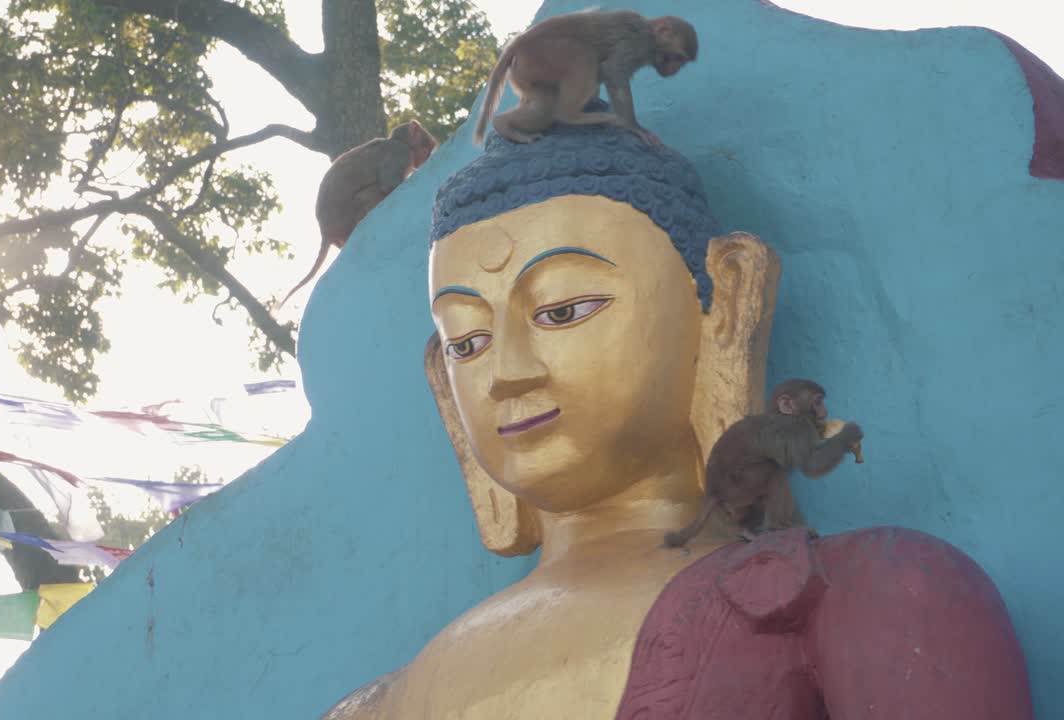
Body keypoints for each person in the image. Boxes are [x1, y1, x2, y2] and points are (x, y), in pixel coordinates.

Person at [321, 107, 1033, 719]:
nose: (508, 373)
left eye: (564, 310)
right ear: (443, 384)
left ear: (723, 306)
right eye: (467, 342)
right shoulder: (386, 702)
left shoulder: (867, 593)